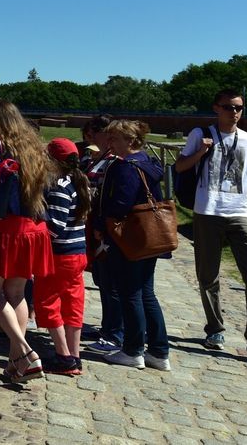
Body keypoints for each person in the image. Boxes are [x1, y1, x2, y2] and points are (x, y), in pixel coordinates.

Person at [175, 90, 247, 362]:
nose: (234, 112)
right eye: (228, 107)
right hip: (207, 211)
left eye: (238, 107)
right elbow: (180, 167)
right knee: (208, 275)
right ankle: (215, 328)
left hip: (240, 214)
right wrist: (201, 151)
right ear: (216, 108)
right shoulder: (199, 134)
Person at [0, 100, 55, 384]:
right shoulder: (32, 146)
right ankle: (15, 364)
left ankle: (25, 352)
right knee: (17, 294)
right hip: (32, 227)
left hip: (2, 228)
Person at [96, 120, 170, 370]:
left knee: (130, 294)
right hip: (148, 238)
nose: (110, 144)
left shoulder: (125, 168)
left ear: (130, 140)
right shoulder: (150, 163)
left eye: (114, 139)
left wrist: (103, 223)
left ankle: (133, 349)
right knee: (146, 293)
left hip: (129, 238)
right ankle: (159, 351)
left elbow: (120, 203)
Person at [35, 138, 90, 375]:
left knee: (47, 303)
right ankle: (74, 356)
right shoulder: (79, 182)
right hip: (77, 253)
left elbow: (55, 227)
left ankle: (63, 355)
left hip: (60, 256)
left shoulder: (58, 185)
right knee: (72, 305)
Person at [78, 114, 122, 354]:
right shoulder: (99, 158)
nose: (91, 139)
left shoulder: (113, 160)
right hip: (94, 224)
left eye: (94, 134)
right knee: (102, 280)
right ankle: (108, 327)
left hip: (106, 228)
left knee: (111, 282)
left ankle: (115, 333)